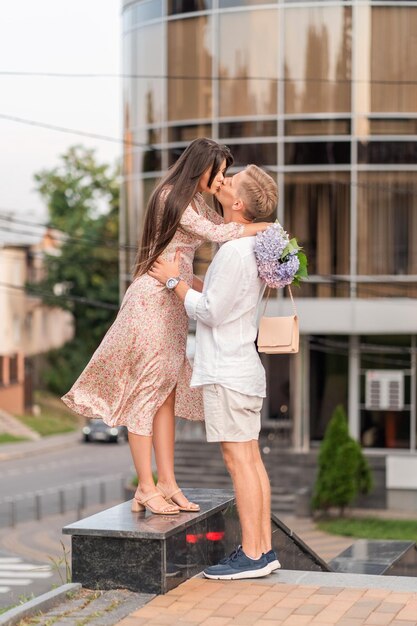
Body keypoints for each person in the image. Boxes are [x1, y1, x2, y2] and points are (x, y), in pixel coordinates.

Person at [62, 138, 270, 516]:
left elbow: (224, 225)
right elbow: (222, 234)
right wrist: (269, 229)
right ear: (200, 166)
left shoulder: (193, 200)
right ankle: (145, 485)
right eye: (218, 171)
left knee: (167, 394)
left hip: (174, 303)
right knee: (146, 392)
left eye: (225, 174)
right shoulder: (170, 195)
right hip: (153, 300)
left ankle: (168, 483)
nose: (221, 179)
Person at [149, 164, 281, 578]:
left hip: (227, 370)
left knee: (239, 461)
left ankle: (253, 554)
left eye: (230, 182)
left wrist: (174, 282)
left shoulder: (235, 251)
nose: (221, 182)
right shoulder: (247, 249)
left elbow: (210, 311)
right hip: (242, 368)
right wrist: (197, 285)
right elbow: (226, 300)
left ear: (238, 204)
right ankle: (264, 550)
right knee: (250, 460)